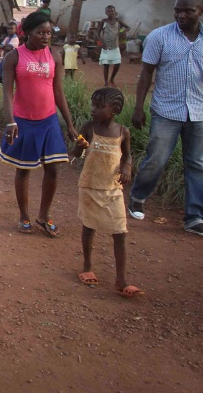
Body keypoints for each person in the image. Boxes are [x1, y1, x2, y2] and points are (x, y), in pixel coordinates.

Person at [128, 0, 203, 238]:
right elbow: (146, 73)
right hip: (166, 111)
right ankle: (137, 198)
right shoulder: (159, 36)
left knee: (198, 166)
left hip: (199, 111)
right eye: (177, 10)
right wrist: (139, 107)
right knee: (157, 159)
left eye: (188, 11)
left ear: (200, 11)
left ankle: (194, 217)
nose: (181, 15)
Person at [0, 11, 79, 237]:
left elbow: (58, 92)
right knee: (23, 169)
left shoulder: (54, 56)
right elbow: (7, 92)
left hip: (48, 120)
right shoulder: (14, 57)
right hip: (23, 121)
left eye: (48, 32)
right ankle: (24, 216)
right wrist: (10, 122)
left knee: (52, 169)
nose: (45, 36)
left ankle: (43, 215)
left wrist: (69, 124)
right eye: (40, 32)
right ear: (27, 33)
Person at [72, 88, 144, 297]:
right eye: (93, 105)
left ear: (115, 110)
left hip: (112, 188)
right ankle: (87, 266)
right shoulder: (88, 128)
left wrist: (127, 168)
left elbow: (127, 156)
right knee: (89, 227)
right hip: (90, 186)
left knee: (120, 232)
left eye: (99, 106)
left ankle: (121, 279)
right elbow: (76, 153)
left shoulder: (123, 132)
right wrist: (79, 146)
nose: (93, 109)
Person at [98, 5, 129, 87]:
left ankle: (112, 79)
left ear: (115, 12)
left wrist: (121, 31)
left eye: (112, 11)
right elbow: (97, 33)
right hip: (106, 47)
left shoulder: (118, 21)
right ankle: (106, 81)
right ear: (106, 13)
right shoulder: (103, 21)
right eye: (109, 11)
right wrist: (102, 42)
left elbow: (128, 27)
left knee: (117, 63)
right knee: (106, 64)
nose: (111, 13)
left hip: (115, 46)